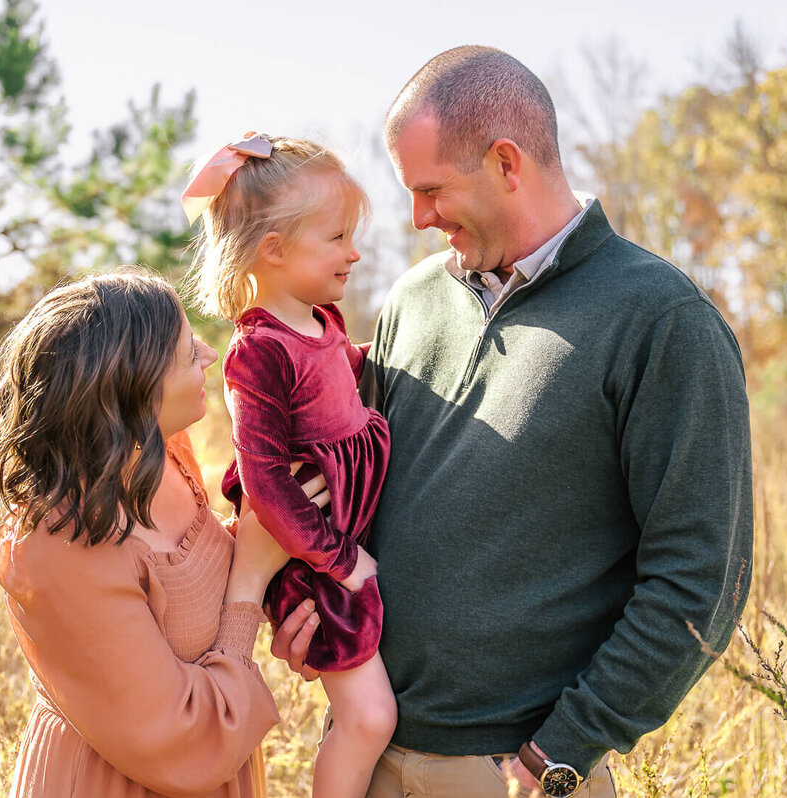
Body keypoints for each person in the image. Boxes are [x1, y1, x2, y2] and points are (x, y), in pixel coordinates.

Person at [273, 45, 754, 798]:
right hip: (365, 755)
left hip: (511, 776)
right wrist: (314, 606)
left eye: (430, 189)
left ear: (506, 163)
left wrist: (562, 752)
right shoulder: (411, 300)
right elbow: (355, 495)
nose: (417, 218)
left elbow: (701, 579)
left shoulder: (662, 320)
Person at [0, 268, 328, 797]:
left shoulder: (159, 456)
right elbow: (177, 739)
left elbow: (192, 586)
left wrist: (288, 584)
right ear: (132, 389)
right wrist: (250, 587)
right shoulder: (57, 545)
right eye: (189, 353)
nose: (211, 355)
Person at [182, 133, 397, 797]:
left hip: (339, 542)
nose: (354, 252)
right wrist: (338, 557)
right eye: (335, 238)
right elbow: (268, 483)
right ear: (273, 250)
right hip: (310, 561)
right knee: (368, 720)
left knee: (372, 713)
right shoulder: (258, 353)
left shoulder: (319, 320)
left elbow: (337, 379)